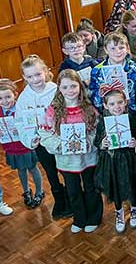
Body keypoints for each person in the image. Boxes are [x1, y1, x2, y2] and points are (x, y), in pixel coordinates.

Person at [40, 70, 102, 234]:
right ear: (59, 88)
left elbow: (97, 131)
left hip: (88, 158)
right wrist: (59, 144)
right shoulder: (53, 110)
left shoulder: (88, 108)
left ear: (80, 87)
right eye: (65, 87)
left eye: (74, 86)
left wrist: (89, 142)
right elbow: (45, 132)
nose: (70, 90)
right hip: (66, 160)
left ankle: (94, 217)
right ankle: (79, 218)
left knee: (91, 187)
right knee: (73, 190)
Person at [16, 54, 71, 219]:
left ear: (46, 72)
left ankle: (72, 198)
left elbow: (68, 110)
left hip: (60, 138)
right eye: (30, 76)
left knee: (67, 170)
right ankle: (59, 200)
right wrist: (31, 138)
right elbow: (21, 121)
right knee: (51, 172)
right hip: (41, 142)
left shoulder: (56, 89)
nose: (35, 79)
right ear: (25, 78)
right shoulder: (24, 98)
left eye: (38, 74)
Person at [0, 79, 43, 209]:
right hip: (11, 148)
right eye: (0, 98)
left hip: (25, 146)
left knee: (32, 168)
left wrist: (22, 129)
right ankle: (26, 191)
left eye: (8, 96)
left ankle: (39, 191)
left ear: (15, 94)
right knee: (21, 170)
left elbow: (31, 124)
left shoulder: (21, 109)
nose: (5, 101)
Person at [94, 89, 136, 233]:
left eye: (120, 102)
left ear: (125, 102)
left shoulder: (131, 117)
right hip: (112, 159)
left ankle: (134, 208)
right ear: (106, 105)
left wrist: (135, 142)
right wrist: (103, 143)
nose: (117, 106)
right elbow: (97, 141)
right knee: (115, 185)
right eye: (112, 103)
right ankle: (119, 211)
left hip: (129, 157)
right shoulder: (102, 122)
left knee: (132, 183)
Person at [89, 32, 136, 115]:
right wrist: (99, 94)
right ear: (106, 49)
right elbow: (94, 100)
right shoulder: (97, 71)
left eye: (121, 48)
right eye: (113, 48)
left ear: (127, 48)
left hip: (134, 115)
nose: (117, 51)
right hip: (108, 116)